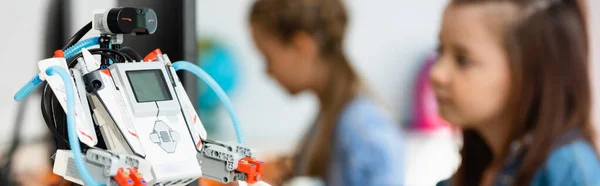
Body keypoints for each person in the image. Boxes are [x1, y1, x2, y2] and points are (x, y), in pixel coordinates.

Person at [431, 0, 600, 185]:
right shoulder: (472, 172)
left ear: (530, 71)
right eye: (440, 50)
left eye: (462, 60)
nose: (436, 74)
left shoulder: (569, 172)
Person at [248, 0, 405, 185]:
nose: (268, 71)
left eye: (268, 57)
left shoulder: (363, 126)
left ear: (301, 47)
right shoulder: (330, 116)